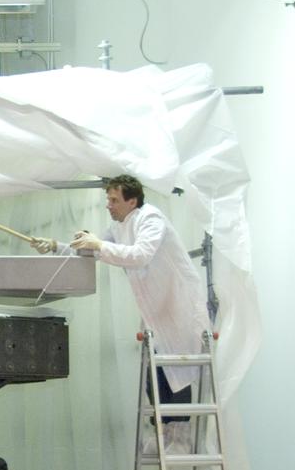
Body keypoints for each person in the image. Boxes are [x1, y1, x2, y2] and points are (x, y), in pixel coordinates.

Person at [36, 175, 210, 439]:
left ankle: (179, 437)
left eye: (114, 200)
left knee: (175, 373)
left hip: (178, 306)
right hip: (157, 310)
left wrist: (98, 244)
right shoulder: (119, 227)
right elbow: (92, 252)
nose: (109, 205)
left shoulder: (150, 219)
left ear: (132, 201)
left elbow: (140, 255)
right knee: (158, 376)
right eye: (108, 199)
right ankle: (166, 435)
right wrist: (54, 246)